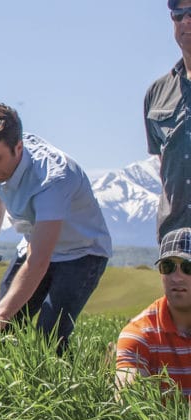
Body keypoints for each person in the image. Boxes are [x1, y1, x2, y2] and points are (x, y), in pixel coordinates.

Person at [0, 104, 111, 352]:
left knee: (48, 336)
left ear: (19, 148)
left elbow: (39, 261)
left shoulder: (52, 179)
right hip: (33, 243)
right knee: (1, 330)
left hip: (81, 254)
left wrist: (0, 316)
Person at [116, 227, 191, 396]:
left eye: (188, 267)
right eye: (168, 266)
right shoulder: (138, 335)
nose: (177, 277)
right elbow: (129, 406)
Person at [145, 0, 191, 241]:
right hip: (174, 235)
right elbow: (165, 162)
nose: (185, 20)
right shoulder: (157, 92)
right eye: (178, 14)